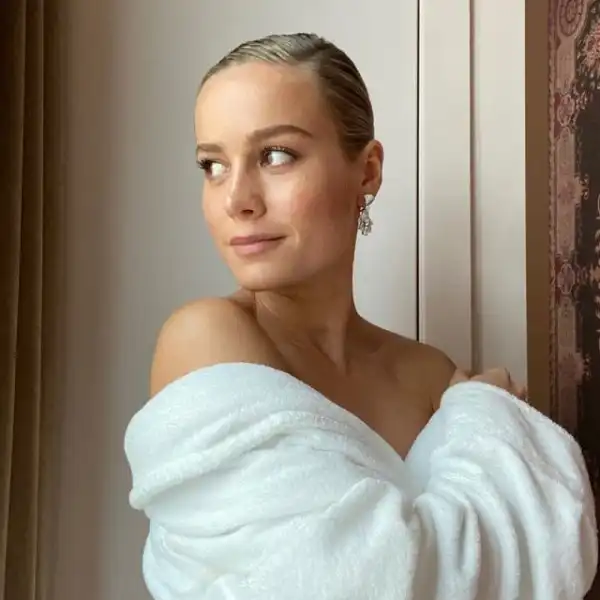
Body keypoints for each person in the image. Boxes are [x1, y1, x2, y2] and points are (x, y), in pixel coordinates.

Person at [126, 33, 597, 599]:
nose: (237, 199)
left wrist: (484, 418)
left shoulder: (427, 375)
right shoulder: (205, 337)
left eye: (276, 155)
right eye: (213, 165)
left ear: (368, 170)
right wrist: (490, 417)